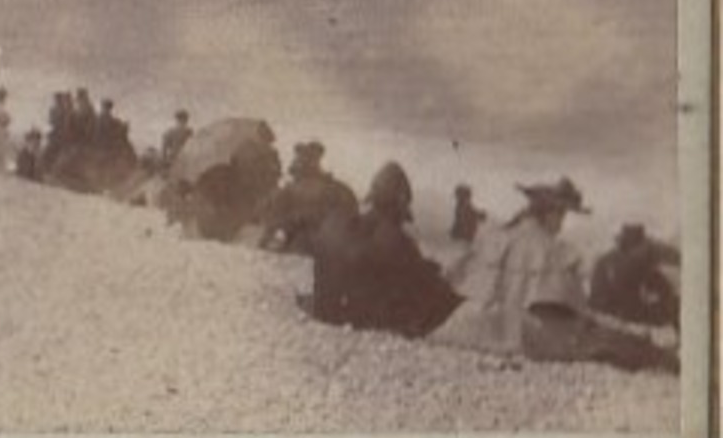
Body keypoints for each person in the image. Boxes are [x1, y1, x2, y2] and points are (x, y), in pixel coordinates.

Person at [431, 177, 676, 372]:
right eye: (561, 216)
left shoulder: (500, 234)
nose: (561, 225)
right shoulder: (550, 248)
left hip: (480, 325)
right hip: (527, 334)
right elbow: (566, 308)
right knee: (606, 341)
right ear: (549, 214)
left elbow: (461, 277)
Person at [302, 161, 461, 337]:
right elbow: (420, 282)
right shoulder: (397, 240)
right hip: (363, 320)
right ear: (399, 205)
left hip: (324, 310)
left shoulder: (337, 223)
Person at [261, 140, 359, 255]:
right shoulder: (340, 189)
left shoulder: (289, 191)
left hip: (303, 247)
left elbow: (274, 226)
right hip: (330, 248)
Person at [589, 224, 679, 329]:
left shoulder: (608, 258)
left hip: (604, 310)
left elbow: (657, 283)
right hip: (621, 314)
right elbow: (660, 285)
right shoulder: (632, 262)